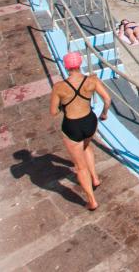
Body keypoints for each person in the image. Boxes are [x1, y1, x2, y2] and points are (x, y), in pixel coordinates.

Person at [49, 51, 111, 211]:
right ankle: (95, 178)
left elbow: (53, 112)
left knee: (80, 167)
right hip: (90, 121)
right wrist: (104, 113)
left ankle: (92, 201)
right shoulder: (92, 80)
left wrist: (64, 104)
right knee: (87, 147)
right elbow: (107, 99)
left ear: (66, 66)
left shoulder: (59, 87)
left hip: (72, 125)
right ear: (80, 63)